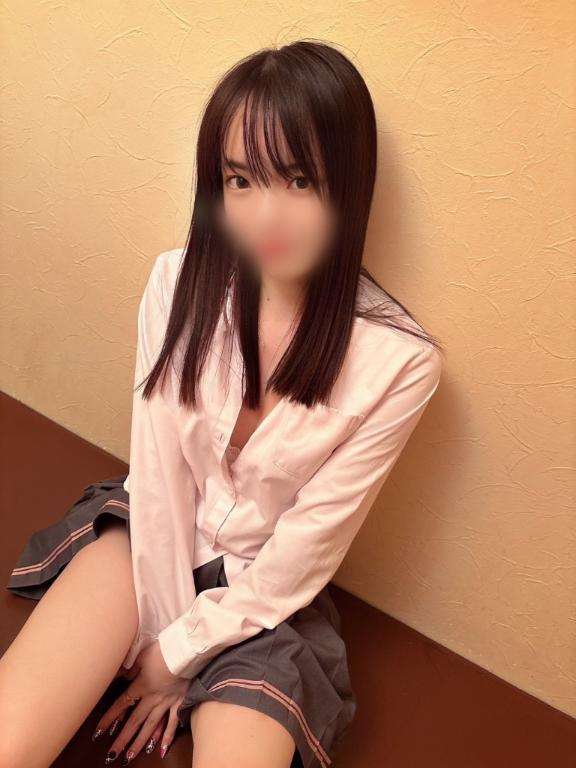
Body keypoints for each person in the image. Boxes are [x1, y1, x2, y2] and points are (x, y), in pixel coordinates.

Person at [1, 40, 444, 768]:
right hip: (151, 535)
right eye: (240, 179)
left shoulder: (400, 365)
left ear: (349, 184)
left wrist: (175, 656)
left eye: (298, 179)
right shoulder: (174, 283)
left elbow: (305, 548)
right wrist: (155, 629)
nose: (265, 214)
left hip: (267, 602)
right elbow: (159, 474)